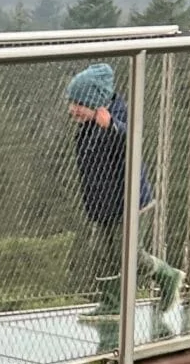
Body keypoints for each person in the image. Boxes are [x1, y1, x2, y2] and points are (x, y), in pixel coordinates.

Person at [65, 60, 182, 341]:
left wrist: (112, 127)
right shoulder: (88, 125)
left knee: (126, 251)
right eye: (72, 103)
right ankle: (111, 303)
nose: (73, 109)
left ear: (96, 103)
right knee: (99, 251)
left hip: (130, 203)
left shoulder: (116, 119)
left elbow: (132, 141)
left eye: (79, 103)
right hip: (103, 204)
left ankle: (167, 276)